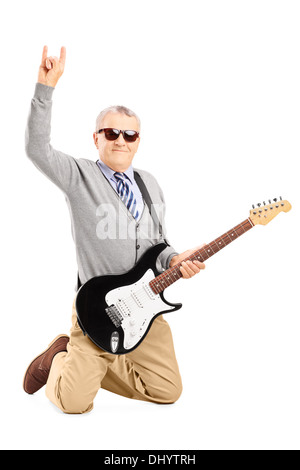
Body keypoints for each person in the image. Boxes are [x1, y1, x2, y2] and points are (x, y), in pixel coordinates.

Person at [23, 46, 205, 414]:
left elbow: (158, 245)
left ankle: (93, 365)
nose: (120, 140)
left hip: (146, 306)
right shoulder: (79, 176)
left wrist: (176, 259)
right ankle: (63, 357)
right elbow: (37, 149)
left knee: (168, 391)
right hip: (97, 309)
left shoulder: (150, 182)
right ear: (97, 138)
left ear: (138, 142)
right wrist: (45, 89)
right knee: (74, 404)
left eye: (130, 135)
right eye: (111, 132)